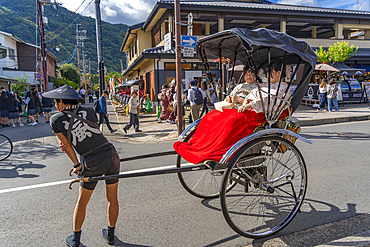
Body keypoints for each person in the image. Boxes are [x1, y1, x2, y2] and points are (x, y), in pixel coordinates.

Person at [42, 85, 120, 247]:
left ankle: (75, 239)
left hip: (92, 162)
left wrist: (77, 165)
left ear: (61, 102)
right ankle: (111, 235)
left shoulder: (56, 120)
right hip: (111, 154)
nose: (56, 105)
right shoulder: (89, 110)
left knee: (82, 201)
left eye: (56, 102)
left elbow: (67, 146)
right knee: (112, 198)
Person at [174, 61, 290, 164]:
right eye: (246, 74)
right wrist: (237, 101)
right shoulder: (264, 85)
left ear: (279, 73)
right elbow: (254, 95)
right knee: (210, 117)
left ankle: (217, 150)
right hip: (244, 107)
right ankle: (200, 146)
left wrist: (249, 104)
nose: (268, 75)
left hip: (259, 113)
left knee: (230, 122)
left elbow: (267, 100)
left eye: (271, 72)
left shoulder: (282, 88)